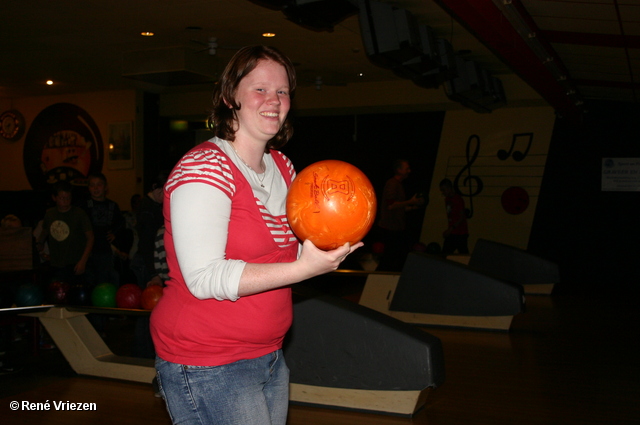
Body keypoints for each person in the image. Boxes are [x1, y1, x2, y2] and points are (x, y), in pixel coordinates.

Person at [150, 45, 361, 425]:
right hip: (208, 362)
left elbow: (296, 246)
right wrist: (305, 269)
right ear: (231, 95)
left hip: (269, 355)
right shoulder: (205, 168)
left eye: (282, 92)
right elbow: (204, 278)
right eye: (260, 89)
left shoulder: (283, 166)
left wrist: (331, 241)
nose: (274, 101)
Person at [37, 181, 94, 286]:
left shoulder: (79, 214)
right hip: (56, 263)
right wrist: (40, 243)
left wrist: (83, 261)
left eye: (68, 198)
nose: (65, 201)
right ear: (54, 198)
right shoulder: (50, 214)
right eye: (62, 198)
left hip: (75, 263)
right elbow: (45, 230)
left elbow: (90, 238)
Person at [375, 159, 424, 270]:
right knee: (389, 259)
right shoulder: (392, 184)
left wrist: (413, 207)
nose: (409, 171)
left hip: (396, 228)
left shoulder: (398, 185)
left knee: (393, 258)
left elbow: (398, 207)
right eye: (407, 168)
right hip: (390, 228)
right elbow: (391, 205)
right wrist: (411, 202)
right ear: (399, 170)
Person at [78, 173, 125, 286]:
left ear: (105, 187)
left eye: (99, 185)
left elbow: (121, 223)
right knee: (89, 280)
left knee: (104, 280)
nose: (96, 188)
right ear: (88, 188)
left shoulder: (112, 205)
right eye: (92, 185)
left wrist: (114, 233)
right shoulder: (83, 206)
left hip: (105, 249)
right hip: (87, 250)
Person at [131, 175, 166, 289]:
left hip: (149, 261)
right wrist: (153, 274)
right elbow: (146, 243)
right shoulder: (147, 209)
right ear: (155, 187)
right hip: (146, 263)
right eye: (165, 191)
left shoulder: (155, 205)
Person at [439, 178, 469, 255]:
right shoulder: (447, 199)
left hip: (460, 233)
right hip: (453, 232)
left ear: (449, 188)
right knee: (444, 254)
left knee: (464, 255)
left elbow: (462, 217)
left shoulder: (458, 199)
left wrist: (450, 229)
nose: (443, 192)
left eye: (443, 190)